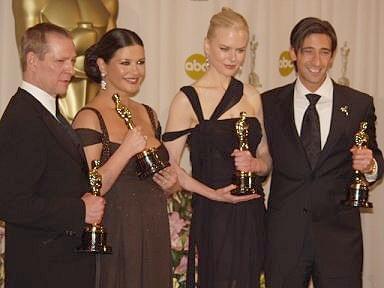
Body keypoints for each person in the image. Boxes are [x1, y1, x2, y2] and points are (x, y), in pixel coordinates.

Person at [262, 17, 384, 288]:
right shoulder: (267, 103)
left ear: (332, 57)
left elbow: (374, 156)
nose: (316, 61)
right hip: (284, 238)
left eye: (324, 52)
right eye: (308, 51)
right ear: (293, 53)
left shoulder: (358, 103)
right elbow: (263, 161)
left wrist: (370, 165)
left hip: (339, 239)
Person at [163, 7, 272, 288]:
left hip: (252, 210)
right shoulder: (187, 100)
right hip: (214, 212)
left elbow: (266, 157)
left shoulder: (251, 95)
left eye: (240, 50)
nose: (232, 58)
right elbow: (169, 167)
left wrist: (256, 165)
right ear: (206, 46)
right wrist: (213, 194)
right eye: (224, 48)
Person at [72, 28, 180, 288]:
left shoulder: (148, 114)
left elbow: (160, 177)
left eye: (141, 62)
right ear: (102, 65)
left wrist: (171, 185)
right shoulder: (89, 117)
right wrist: (125, 150)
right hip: (117, 232)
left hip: (152, 227)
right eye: (125, 63)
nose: (136, 71)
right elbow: (90, 187)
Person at [0, 23, 105, 288]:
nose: (70, 69)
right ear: (32, 60)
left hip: (62, 264)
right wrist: (80, 209)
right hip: (41, 270)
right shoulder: (22, 118)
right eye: (60, 60)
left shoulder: (47, 111)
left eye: (72, 60)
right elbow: (11, 203)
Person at [12, 0, 118, 121]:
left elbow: (112, 55)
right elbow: (30, 50)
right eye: (61, 60)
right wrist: (78, 42)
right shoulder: (33, 2)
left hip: (96, 89)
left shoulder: (107, 2)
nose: (70, 69)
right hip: (59, 99)